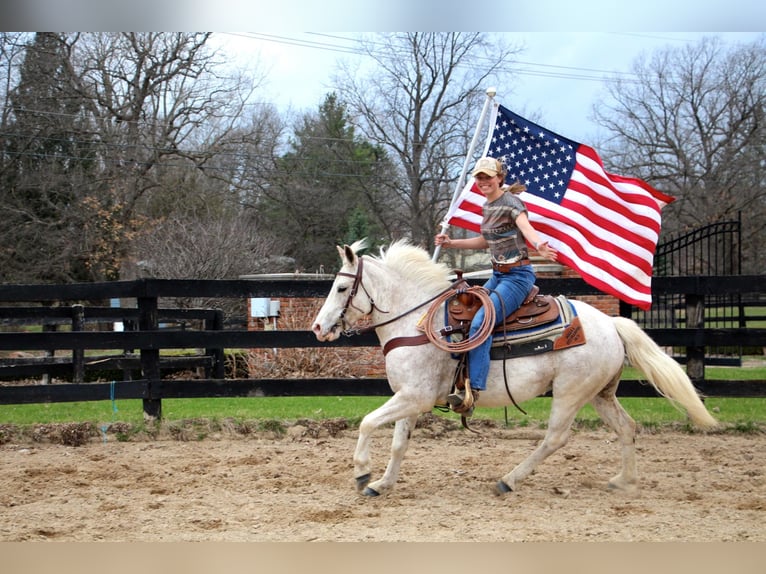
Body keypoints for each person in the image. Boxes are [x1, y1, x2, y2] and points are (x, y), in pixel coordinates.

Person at [435, 156, 559, 415]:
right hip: (498, 275)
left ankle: (473, 391)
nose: (483, 182)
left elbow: (525, 226)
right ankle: (460, 376)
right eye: (479, 177)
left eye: (487, 177)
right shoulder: (487, 206)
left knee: (482, 322)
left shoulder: (511, 202)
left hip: (517, 276)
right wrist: (450, 243)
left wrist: (538, 245)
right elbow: (485, 241)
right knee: (467, 314)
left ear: (499, 178)